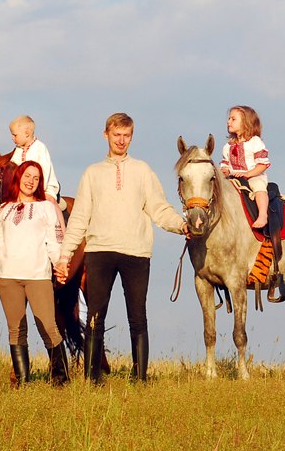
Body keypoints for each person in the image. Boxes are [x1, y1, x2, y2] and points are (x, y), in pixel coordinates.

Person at [54, 112, 186, 383]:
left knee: (137, 315)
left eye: (126, 135)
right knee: (95, 315)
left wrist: (181, 225)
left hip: (136, 252)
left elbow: (159, 208)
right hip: (99, 251)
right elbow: (79, 218)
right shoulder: (92, 173)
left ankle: (140, 378)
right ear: (106, 135)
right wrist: (65, 255)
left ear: (132, 137)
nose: (121, 140)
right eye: (117, 135)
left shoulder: (142, 171)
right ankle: (93, 379)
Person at [0, 160, 70, 386]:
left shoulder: (46, 208)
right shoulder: (3, 210)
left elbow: (54, 244)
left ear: (39, 182)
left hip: (37, 276)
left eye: (36, 178)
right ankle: (24, 382)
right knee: (16, 330)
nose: (30, 181)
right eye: (27, 176)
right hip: (7, 277)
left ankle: (61, 381)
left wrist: (60, 265)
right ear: (19, 178)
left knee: (48, 327)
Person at [220, 104, 284, 301]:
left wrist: (248, 174)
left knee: (259, 189)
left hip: (252, 176)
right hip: (234, 181)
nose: (229, 121)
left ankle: (263, 214)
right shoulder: (228, 146)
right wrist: (225, 172)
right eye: (229, 118)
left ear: (246, 123)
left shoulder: (255, 142)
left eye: (233, 118)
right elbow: (224, 164)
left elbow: (263, 164)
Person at [10, 114, 67, 238]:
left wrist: (39, 188)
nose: (12, 138)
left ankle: (62, 232)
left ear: (26, 133)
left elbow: (44, 170)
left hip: (44, 187)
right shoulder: (17, 150)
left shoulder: (40, 148)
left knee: (50, 201)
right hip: (23, 189)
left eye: (15, 135)